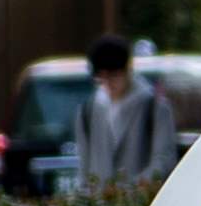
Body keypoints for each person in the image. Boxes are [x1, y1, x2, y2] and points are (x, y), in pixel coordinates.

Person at [72, 34, 181, 187]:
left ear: (127, 69)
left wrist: (131, 189)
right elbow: (84, 168)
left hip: (142, 204)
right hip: (101, 205)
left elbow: (164, 160)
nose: (108, 83)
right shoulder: (87, 111)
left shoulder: (155, 108)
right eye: (101, 78)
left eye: (113, 76)